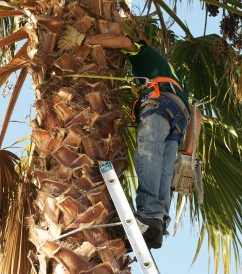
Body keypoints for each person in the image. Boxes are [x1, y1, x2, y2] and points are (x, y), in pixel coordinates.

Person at [58, 26, 190, 249]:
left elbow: (123, 42)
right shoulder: (169, 71)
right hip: (180, 115)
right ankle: (156, 223)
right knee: (164, 168)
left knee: (148, 151)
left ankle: (147, 213)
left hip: (161, 101)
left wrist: (84, 38)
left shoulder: (145, 54)